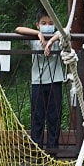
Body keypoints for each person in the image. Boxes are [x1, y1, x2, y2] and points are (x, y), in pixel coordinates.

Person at [15, 10, 65, 151]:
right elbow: (18, 29)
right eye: (43, 23)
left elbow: (66, 31)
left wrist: (52, 41)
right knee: (37, 116)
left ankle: (52, 148)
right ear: (38, 25)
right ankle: (36, 148)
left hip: (55, 81)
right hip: (37, 82)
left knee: (54, 117)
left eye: (50, 23)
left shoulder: (58, 38)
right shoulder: (34, 38)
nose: (47, 26)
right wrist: (38, 34)